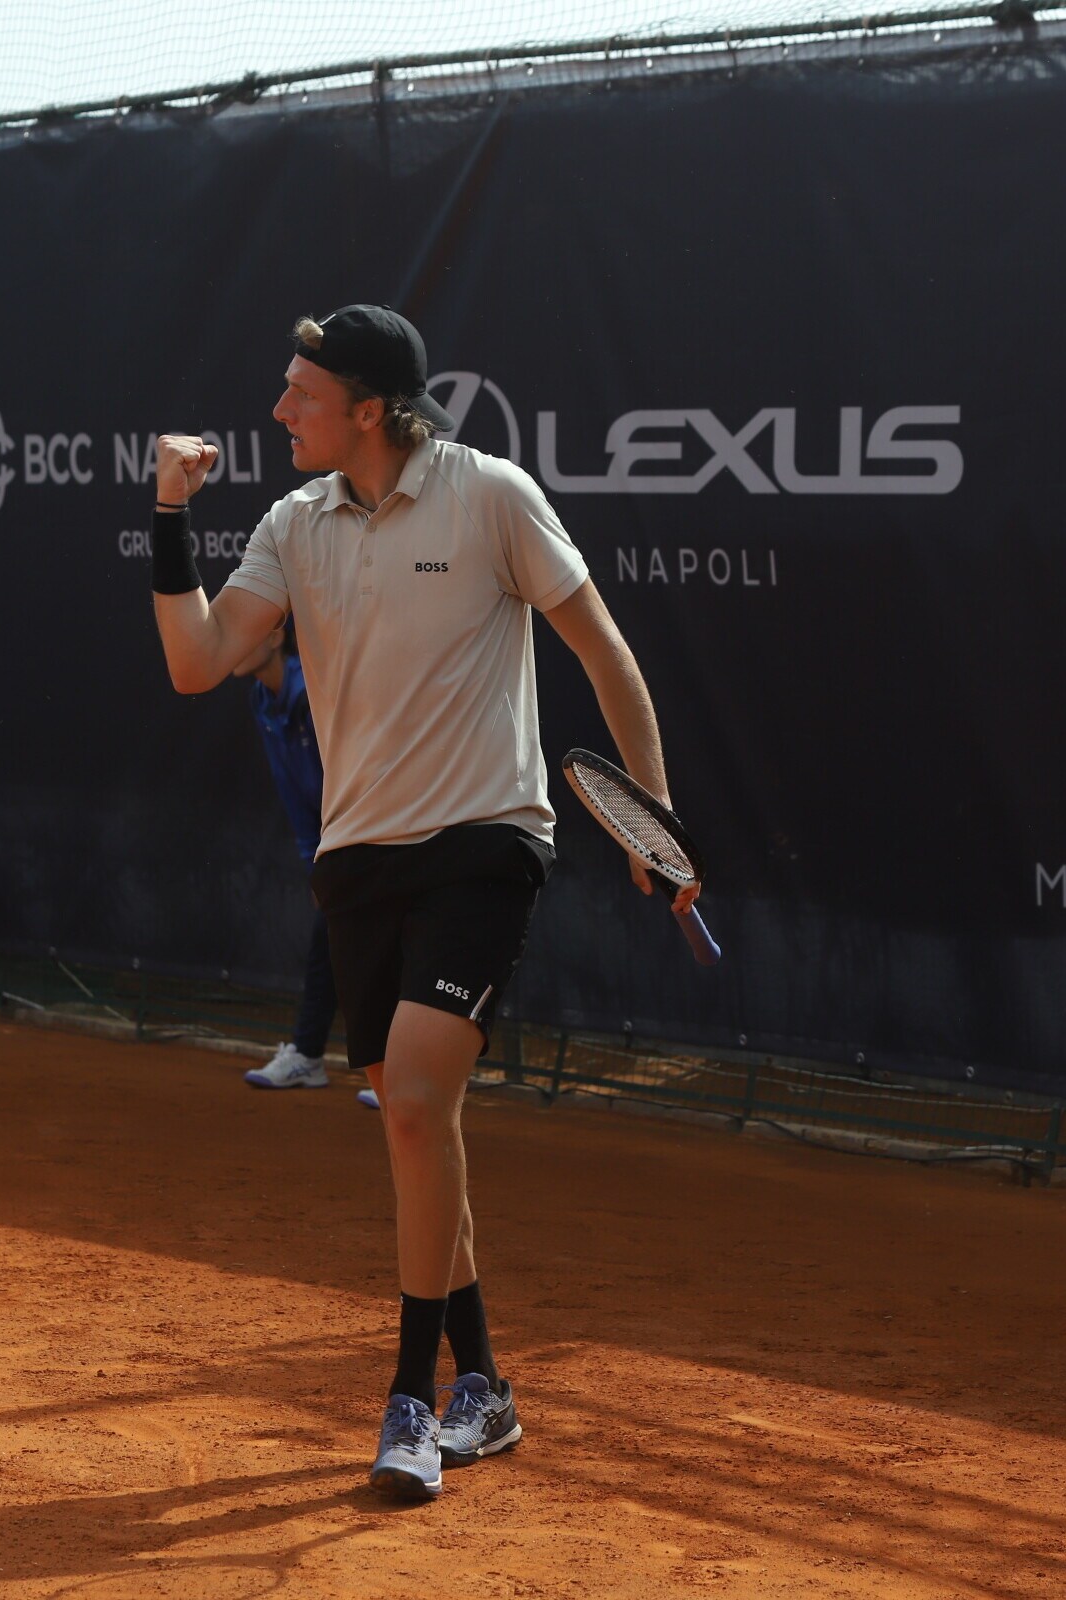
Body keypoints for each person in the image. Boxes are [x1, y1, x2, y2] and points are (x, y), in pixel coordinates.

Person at [147, 305, 699, 1500]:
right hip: (358, 858)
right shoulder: (294, 523)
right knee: (419, 1125)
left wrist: (649, 816)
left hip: (486, 840)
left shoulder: (490, 495)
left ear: (370, 409)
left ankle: (409, 1399)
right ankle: (484, 1384)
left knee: (410, 1096)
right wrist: (169, 517)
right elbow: (196, 661)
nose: (279, 410)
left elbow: (603, 650)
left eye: (301, 393)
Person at [234, 618, 340, 1090]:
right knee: (332, 943)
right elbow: (291, 788)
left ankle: (407, 1073)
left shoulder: (314, 690)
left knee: (375, 946)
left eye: (243, 633)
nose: (232, 645)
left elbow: (345, 775)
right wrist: (315, 860)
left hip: (370, 827)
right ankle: (309, 1055)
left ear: (276, 637)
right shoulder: (262, 700)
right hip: (332, 843)